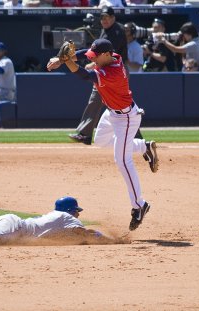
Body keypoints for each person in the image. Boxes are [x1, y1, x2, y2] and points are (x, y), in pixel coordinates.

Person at [47, 38, 159, 231]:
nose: (93, 59)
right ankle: (143, 146)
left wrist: (65, 61)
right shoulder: (113, 56)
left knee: (122, 161)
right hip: (111, 112)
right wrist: (61, 58)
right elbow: (84, 53)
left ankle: (139, 205)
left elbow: (84, 75)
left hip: (126, 119)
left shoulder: (112, 72)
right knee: (100, 140)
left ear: (106, 55)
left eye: (96, 57)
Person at [65, 6, 130, 145]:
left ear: (113, 18)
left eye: (107, 17)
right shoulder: (106, 30)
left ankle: (85, 134)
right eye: (102, 18)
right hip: (106, 70)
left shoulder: (116, 32)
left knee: (119, 106)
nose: (104, 20)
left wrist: (90, 64)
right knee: (112, 104)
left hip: (113, 72)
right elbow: (91, 52)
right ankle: (85, 133)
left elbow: (108, 57)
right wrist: (69, 57)